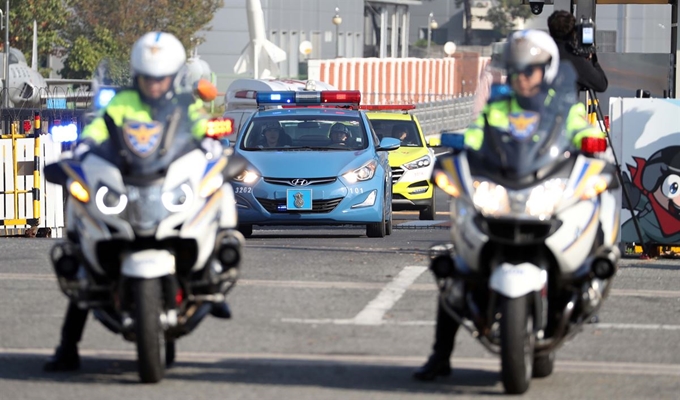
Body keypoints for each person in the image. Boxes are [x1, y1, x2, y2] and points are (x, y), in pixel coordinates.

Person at [414, 29, 605, 382]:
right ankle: (439, 356)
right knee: (456, 272)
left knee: (590, 218)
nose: (522, 77)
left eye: (530, 70)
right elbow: (477, 133)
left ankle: (590, 278)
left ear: (547, 69)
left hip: (544, 189)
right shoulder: (500, 105)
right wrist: (456, 146)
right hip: (503, 190)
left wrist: (591, 143)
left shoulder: (564, 106)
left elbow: (581, 131)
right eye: (517, 70)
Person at [44, 31, 228, 373]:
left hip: (165, 183)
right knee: (85, 256)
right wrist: (82, 147)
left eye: (160, 79)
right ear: (136, 75)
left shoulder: (186, 103)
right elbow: (99, 129)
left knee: (216, 191)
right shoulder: (121, 102)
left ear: (173, 77)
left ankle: (212, 275)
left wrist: (214, 145)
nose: (154, 85)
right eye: (147, 78)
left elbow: (203, 131)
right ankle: (67, 347)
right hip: (127, 183)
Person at [547, 10, 608, 93]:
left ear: (550, 31)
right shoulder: (575, 60)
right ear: (573, 32)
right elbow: (601, 84)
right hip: (564, 105)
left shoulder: (541, 55)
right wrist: (592, 57)